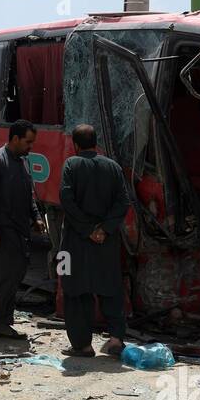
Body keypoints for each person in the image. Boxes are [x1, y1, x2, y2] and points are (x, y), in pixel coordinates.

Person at [58, 124, 131, 357]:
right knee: (110, 287)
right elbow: (123, 202)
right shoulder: (113, 167)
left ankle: (82, 345)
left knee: (75, 289)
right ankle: (117, 340)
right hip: (106, 242)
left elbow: (66, 199)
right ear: (96, 143)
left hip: (75, 241)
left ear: (75, 145)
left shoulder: (71, 164)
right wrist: (105, 229)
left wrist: (87, 229)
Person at [0, 119, 44, 340]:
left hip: (19, 230)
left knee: (15, 275)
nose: (30, 146)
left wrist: (36, 217)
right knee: (6, 277)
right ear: (15, 138)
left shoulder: (22, 161)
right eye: (28, 142)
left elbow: (29, 195)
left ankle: (2, 320)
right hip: (2, 231)